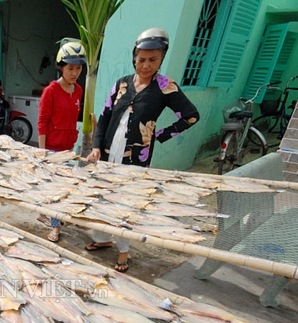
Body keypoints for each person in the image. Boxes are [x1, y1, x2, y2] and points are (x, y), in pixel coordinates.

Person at [86, 28, 199, 272]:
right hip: (107, 154)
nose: (145, 65)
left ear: (161, 58)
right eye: (141, 59)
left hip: (136, 160)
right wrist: (96, 147)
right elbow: (105, 117)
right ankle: (102, 238)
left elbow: (191, 116)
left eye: (152, 60)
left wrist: (158, 135)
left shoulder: (165, 87)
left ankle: (124, 251)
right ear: (134, 58)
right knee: (101, 197)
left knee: (126, 204)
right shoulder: (122, 84)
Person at [36, 41, 86, 242]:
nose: (74, 73)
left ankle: (43, 212)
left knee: (57, 187)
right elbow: (42, 122)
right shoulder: (51, 91)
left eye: (78, 68)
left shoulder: (78, 90)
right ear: (61, 67)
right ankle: (55, 228)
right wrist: (42, 152)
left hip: (68, 147)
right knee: (56, 189)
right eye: (70, 68)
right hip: (51, 149)